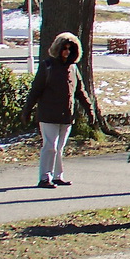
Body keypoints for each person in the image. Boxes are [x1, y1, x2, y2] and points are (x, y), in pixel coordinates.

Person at [22, 31, 95, 189]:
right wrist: (27, 110)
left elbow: (80, 92)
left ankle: (57, 176)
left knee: (59, 148)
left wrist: (90, 110)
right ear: (58, 49)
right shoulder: (47, 66)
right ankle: (44, 177)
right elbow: (36, 90)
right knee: (50, 146)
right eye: (64, 48)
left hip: (66, 115)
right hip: (48, 115)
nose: (67, 52)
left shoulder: (73, 68)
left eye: (70, 49)